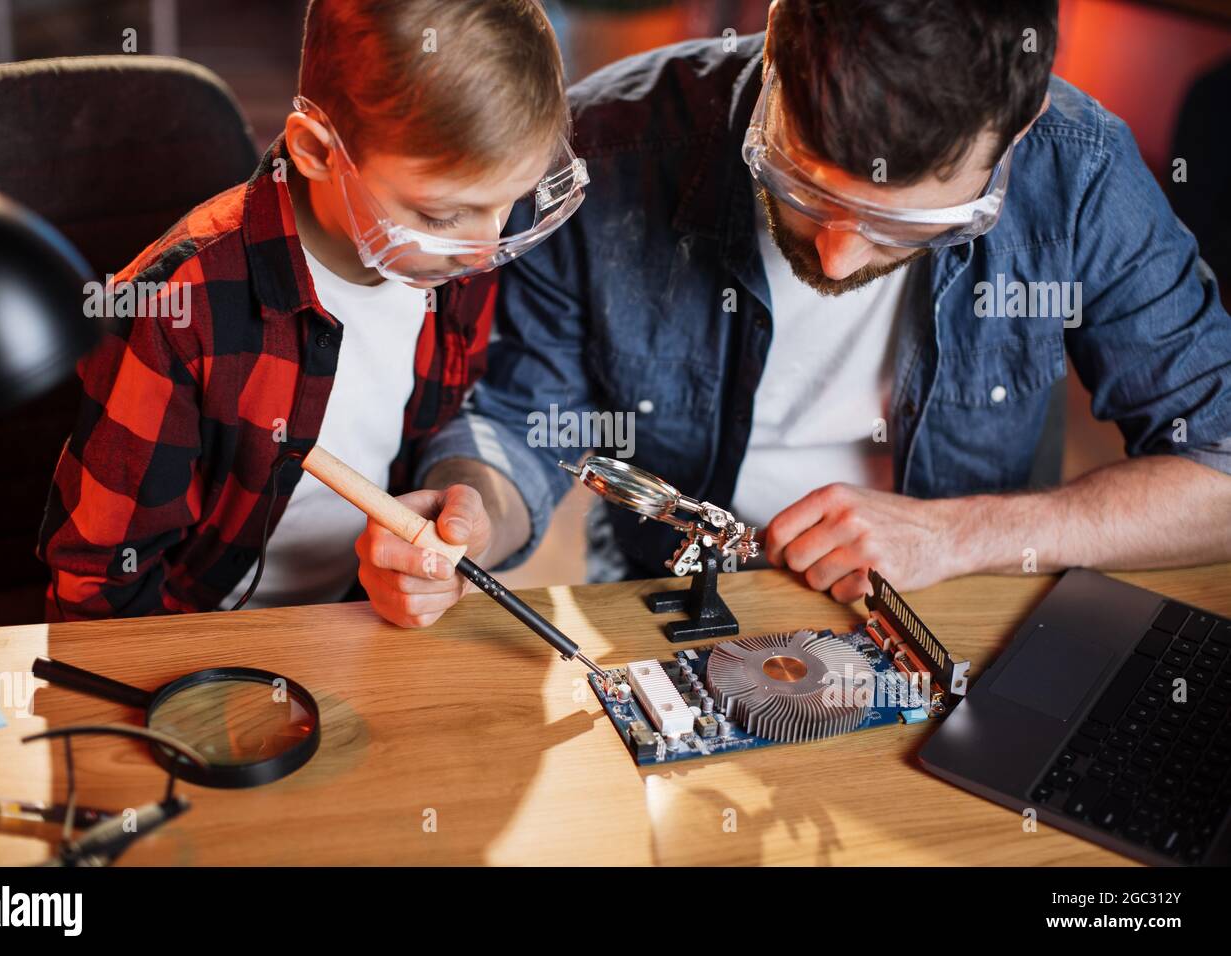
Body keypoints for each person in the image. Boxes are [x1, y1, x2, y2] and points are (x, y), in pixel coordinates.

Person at [360, 0, 1231, 626]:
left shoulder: (1078, 170)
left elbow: (1220, 471)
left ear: (1021, 123)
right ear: (771, 50)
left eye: (904, 223)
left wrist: (961, 534)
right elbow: (527, 424)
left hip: (961, 606)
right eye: (804, 187)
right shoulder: (612, 145)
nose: (837, 257)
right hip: (667, 604)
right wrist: (468, 512)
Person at [40, 0, 582, 619]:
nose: (485, 248)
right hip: (203, 642)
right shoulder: (177, 306)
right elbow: (98, 584)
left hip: (368, 615)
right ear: (319, 152)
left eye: (508, 204)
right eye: (439, 216)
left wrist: (458, 516)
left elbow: (467, 418)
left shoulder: (452, 261)